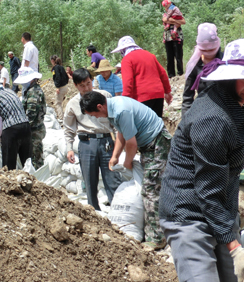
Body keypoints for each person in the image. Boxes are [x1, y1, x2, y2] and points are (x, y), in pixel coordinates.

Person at [159, 39, 244, 282]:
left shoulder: (238, 101)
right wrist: (235, 247)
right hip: (188, 213)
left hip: (222, 207)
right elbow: (207, 191)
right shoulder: (214, 119)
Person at [80, 91, 171, 249]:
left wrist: (128, 162)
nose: (95, 118)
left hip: (157, 143)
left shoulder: (121, 110)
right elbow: (121, 133)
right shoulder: (112, 109)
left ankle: (157, 238)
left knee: (150, 188)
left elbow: (131, 144)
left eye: (94, 115)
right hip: (147, 145)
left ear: (100, 107)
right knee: (150, 185)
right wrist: (115, 156)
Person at [63, 68, 122, 211]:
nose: (86, 88)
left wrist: (119, 144)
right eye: (82, 86)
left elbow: (115, 121)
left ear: (93, 81)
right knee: (90, 181)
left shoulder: (104, 96)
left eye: (88, 83)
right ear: (76, 86)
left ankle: (118, 212)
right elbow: (68, 128)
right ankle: (94, 213)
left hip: (107, 141)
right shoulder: (73, 103)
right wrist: (69, 148)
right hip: (87, 143)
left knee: (112, 178)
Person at [111, 36, 172, 117]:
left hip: (141, 97)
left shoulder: (127, 60)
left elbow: (128, 82)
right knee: (157, 124)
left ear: (123, 50)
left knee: (144, 127)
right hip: (158, 94)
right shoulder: (150, 55)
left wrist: (125, 101)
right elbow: (163, 73)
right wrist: (167, 92)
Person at [0, 79, 32, 170]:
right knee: (27, 163)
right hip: (26, 126)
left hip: (11, 129)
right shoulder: (10, 91)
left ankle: (11, 183)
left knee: (8, 167)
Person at [182, 22, 222, 116]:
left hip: (225, 111)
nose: (208, 53)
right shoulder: (194, 65)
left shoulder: (225, 62)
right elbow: (187, 97)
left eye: (211, 50)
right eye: (204, 50)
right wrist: (186, 121)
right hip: (203, 111)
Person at [14, 68, 46, 169]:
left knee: (36, 157)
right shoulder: (30, 90)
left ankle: (39, 179)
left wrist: (22, 129)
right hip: (33, 130)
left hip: (34, 131)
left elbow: (31, 115)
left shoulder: (33, 92)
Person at [162, 0, 186, 78]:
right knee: (170, 56)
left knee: (178, 56)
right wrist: (176, 21)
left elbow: (183, 21)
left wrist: (171, 21)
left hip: (178, 36)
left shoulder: (178, 13)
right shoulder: (165, 14)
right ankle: (171, 75)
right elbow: (165, 20)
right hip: (168, 37)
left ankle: (180, 74)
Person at [50, 55, 69, 119]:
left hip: (61, 87)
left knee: (58, 103)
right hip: (65, 86)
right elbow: (66, 77)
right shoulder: (61, 67)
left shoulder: (56, 68)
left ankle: (61, 118)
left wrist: (57, 87)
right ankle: (65, 115)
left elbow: (57, 77)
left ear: (52, 60)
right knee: (61, 102)